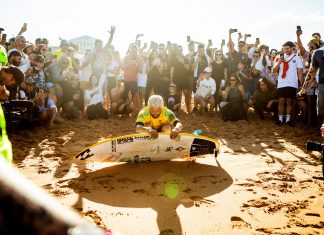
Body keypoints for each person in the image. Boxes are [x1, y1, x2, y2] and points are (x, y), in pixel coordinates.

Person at [272, 41, 304, 126]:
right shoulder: (279, 57)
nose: (286, 50)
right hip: (282, 82)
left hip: (292, 83)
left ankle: (288, 120)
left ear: (292, 48)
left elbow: (300, 71)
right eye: (284, 48)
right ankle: (280, 119)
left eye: (288, 48)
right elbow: (273, 71)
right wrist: (279, 62)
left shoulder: (297, 58)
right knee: (281, 101)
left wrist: (301, 84)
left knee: (289, 101)